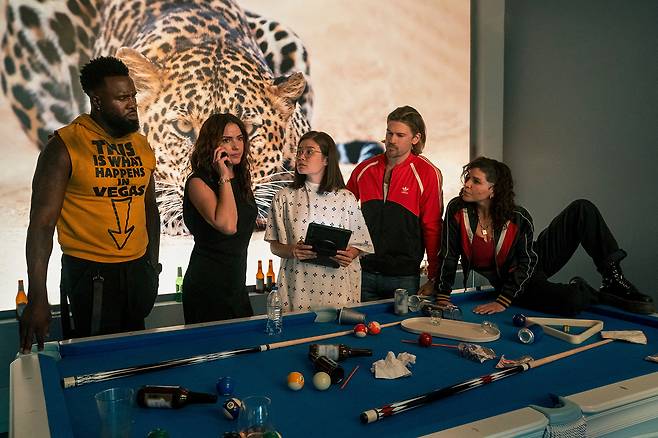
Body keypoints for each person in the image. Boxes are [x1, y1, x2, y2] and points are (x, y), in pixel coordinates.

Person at [21, 56, 161, 353]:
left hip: (137, 271)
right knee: (95, 360)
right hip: (90, 274)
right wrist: (37, 296)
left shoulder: (141, 145)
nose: (132, 104)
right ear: (97, 101)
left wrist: (152, 265)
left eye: (133, 96)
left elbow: (150, 208)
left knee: (135, 357)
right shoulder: (64, 145)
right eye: (122, 98)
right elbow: (42, 225)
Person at [431, 156, 653, 315]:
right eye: (467, 178)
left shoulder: (518, 217)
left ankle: (613, 279)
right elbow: (449, 254)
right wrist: (442, 296)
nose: (467, 184)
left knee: (582, 209)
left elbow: (527, 260)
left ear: (493, 190)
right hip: (517, 280)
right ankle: (587, 291)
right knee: (572, 301)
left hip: (530, 260)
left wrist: (502, 302)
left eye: (476, 181)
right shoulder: (457, 210)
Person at [265, 131, 373, 311]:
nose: (301, 156)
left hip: (337, 288)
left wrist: (351, 254)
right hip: (297, 287)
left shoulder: (346, 198)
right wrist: (293, 250)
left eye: (309, 151)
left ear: (326, 159)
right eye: (299, 151)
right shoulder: (283, 197)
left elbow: (361, 243)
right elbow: (274, 246)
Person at [347, 106, 443, 301]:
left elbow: (432, 228)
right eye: (389, 133)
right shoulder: (364, 169)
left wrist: (434, 277)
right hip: (364, 272)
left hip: (404, 277)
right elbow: (341, 212)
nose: (392, 140)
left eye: (400, 135)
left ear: (415, 138)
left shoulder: (427, 173)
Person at [182, 113, 257, 323]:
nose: (236, 146)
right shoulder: (198, 182)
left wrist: (229, 176)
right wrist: (223, 175)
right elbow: (228, 226)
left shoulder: (241, 180)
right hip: (207, 287)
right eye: (226, 140)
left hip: (236, 286)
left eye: (240, 138)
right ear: (212, 145)